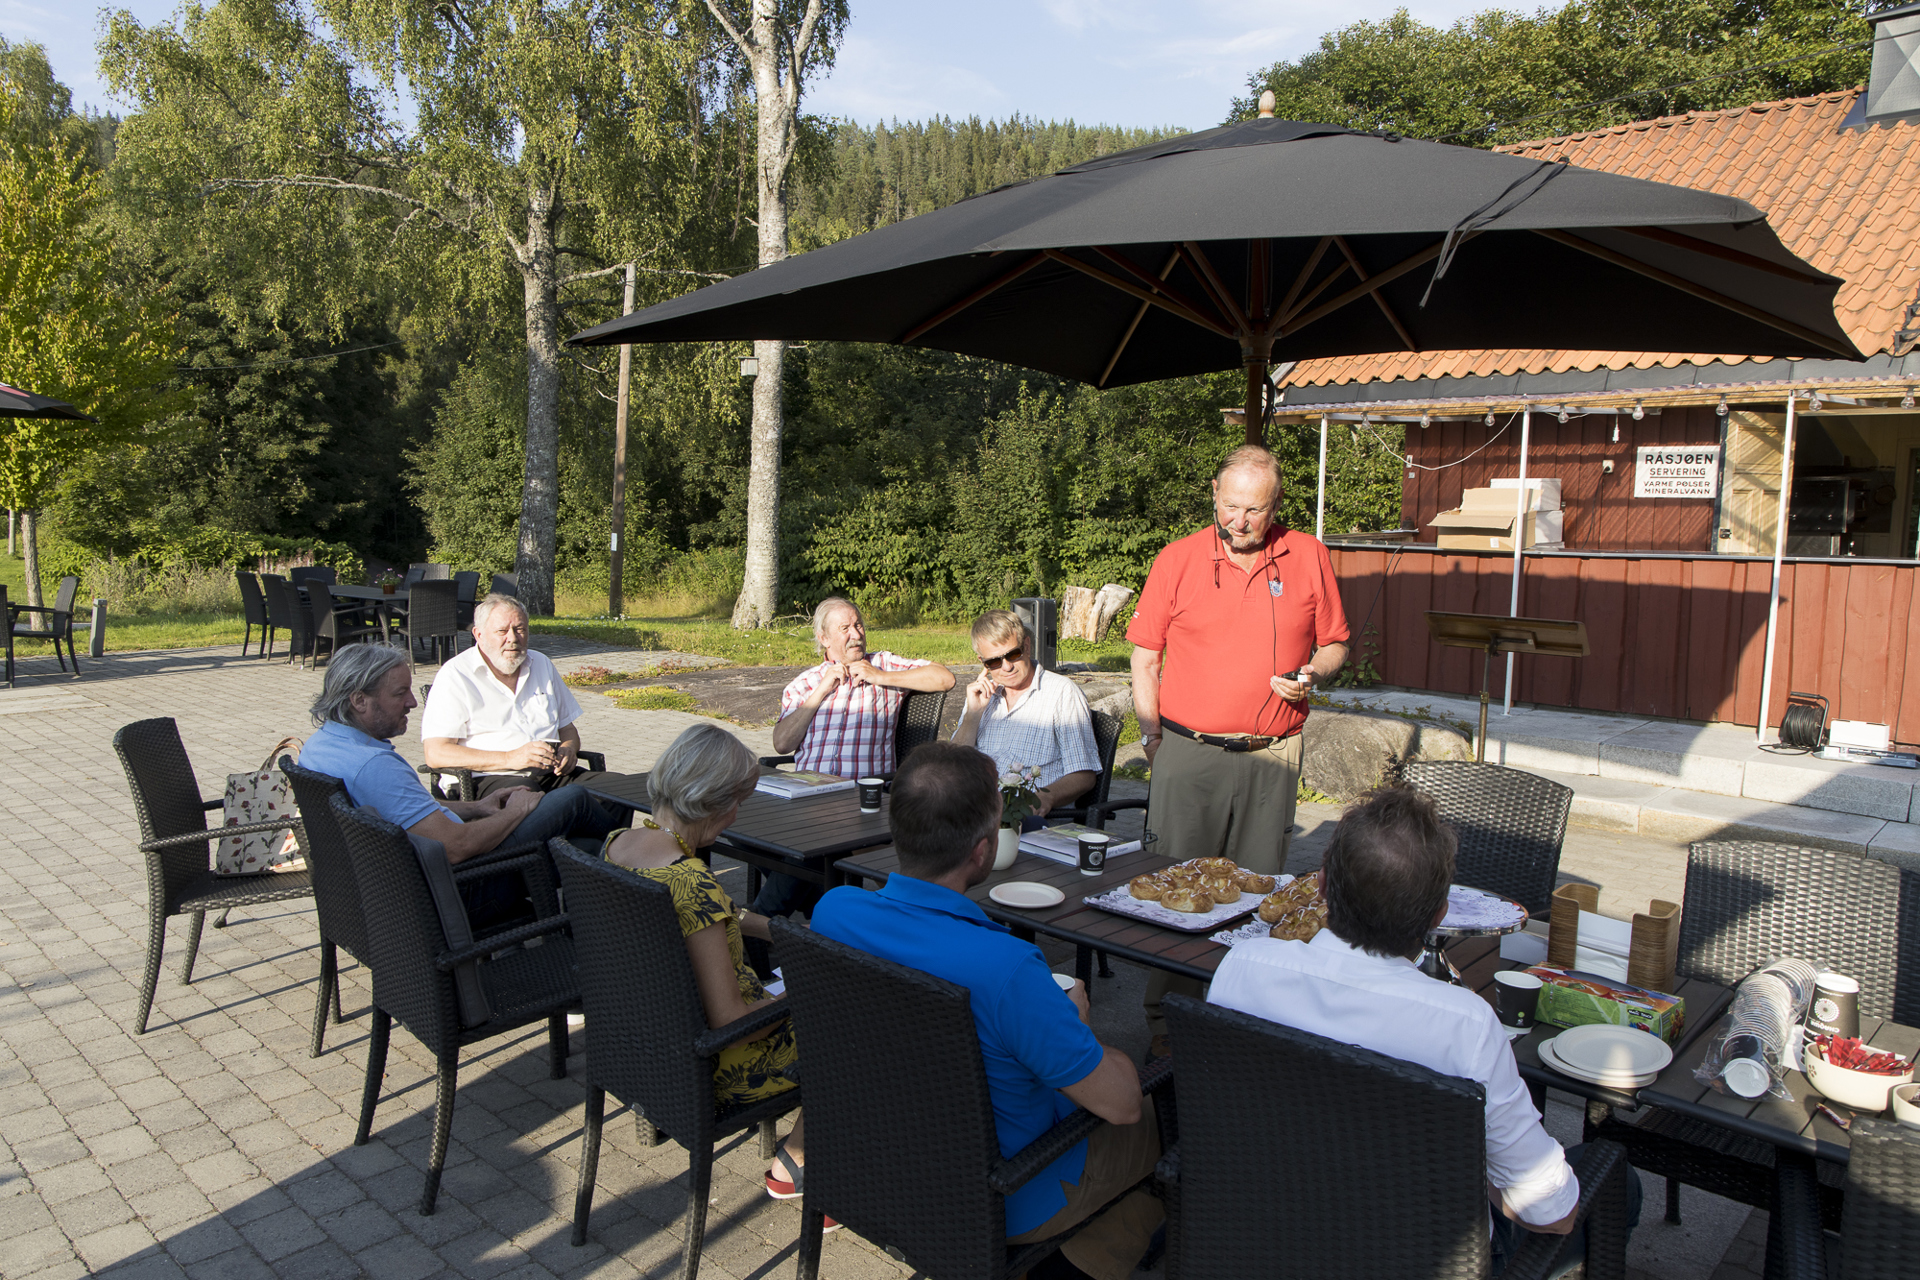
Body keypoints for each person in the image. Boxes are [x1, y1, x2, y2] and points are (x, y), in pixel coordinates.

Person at [1206, 788, 1640, 1275]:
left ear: (1322, 885)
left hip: (1264, 1233)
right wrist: (1491, 1180)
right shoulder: (1464, 1023)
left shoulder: (1245, 965)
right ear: (1438, 917)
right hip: (1419, 1257)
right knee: (1620, 1183)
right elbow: (1550, 1212)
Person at [811, 742, 1161, 1280]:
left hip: (876, 1163)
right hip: (1002, 1194)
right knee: (1162, 1115)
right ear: (981, 851)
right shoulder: (1007, 967)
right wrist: (1078, 1026)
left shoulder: (834, 912)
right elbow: (1120, 1106)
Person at [1127, 443, 1351, 1057]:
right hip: (1187, 751)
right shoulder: (1177, 559)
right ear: (1215, 499)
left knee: (1260, 898)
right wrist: (1152, 740)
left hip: (1272, 756)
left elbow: (1335, 645)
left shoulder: (1307, 554)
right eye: (1231, 507)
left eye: (1255, 510)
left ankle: (1243, 1024)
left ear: (1275, 505)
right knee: (1176, 892)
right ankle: (1166, 1027)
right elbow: (1145, 658)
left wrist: (1311, 673)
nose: (1241, 522)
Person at [599, 725, 815, 1211]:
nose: (740, 812)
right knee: (860, 1024)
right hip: (718, 1063)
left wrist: (778, 930)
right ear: (715, 803)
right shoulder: (691, 881)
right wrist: (806, 991)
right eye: (739, 800)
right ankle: (799, 1162)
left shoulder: (621, 846)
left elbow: (709, 914)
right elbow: (734, 1026)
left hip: (646, 1048)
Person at [303, 643, 622, 929]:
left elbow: (402, 811)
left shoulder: (321, 746)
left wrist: (475, 807)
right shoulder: (373, 766)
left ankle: (616, 872)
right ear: (359, 700)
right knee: (575, 801)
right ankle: (631, 873)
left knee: (583, 847)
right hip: (462, 893)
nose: (412, 703)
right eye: (400, 693)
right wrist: (513, 813)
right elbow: (455, 847)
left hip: (382, 897)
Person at [755, 596, 955, 919]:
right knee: (742, 831)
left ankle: (757, 931)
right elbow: (781, 743)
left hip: (856, 800)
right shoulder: (804, 684)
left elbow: (945, 678)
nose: (856, 633)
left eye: (858, 624)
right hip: (803, 795)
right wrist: (821, 690)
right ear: (824, 638)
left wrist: (880, 677)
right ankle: (822, 912)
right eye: (844, 628)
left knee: (804, 848)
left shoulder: (883, 664)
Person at [421, 593, 612, 803]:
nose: (512, 638)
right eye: (502, 631)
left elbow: (567, 729)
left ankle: (611, 837)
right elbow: (436, 754)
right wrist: (508, 758)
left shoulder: (541, 664)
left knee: (616, 790)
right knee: (530, 797)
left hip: (550, 775)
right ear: (479, 634)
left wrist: (568, 750)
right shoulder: (456, 675)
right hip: (486, 779)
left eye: (520, 629)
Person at [952, 609, 1099, 827]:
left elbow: (1084, 775)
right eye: (993, 662)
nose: (1006, 667)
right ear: (982, 662)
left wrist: (1045, 797)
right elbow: (952, 764)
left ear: (1027, 646)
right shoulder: (982, 695)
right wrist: (973, 714)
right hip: (979, 810)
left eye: (1013, 654)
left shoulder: (1061, 692)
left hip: (1032, 818)